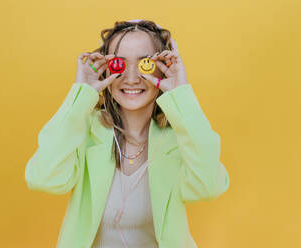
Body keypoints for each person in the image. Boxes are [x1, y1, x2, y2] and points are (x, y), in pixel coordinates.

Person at [24, 19, 230, 248]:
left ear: (162, 67)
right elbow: (43, 179)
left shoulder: (179, 138)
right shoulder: (86, 131)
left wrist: (181, 92)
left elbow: (209, 186)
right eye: (118, 65)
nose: (131, 78)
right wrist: (80, 94)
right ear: (105, 69)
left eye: (145, 64)